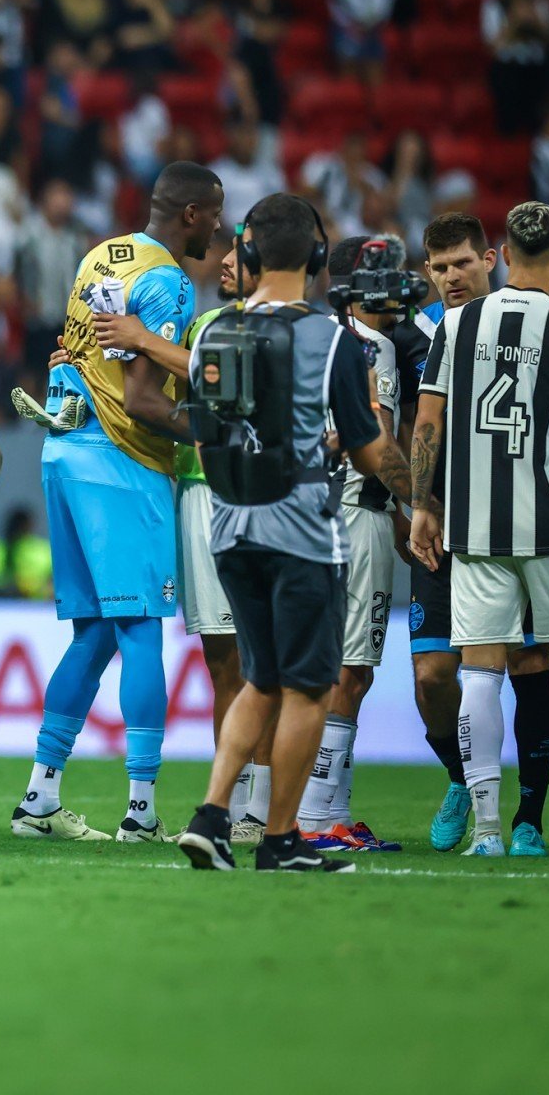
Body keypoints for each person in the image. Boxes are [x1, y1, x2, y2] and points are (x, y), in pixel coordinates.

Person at [175, 194, 413, 873]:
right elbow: (371, 447)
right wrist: (420, 503)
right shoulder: (334, 338)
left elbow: (208, 435)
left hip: (230, 531)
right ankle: (280, 839)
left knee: (263, 678)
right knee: (309, 687)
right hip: (304, 534)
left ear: (247, 257)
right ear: (315, 259)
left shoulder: (210, 335)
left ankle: (212, 814)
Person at [7, 162, 222, 843]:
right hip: (120, 461)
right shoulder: (169, 283)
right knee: (140, 630)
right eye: (214, 214)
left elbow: (72, 356)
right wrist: (218, 431)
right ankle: (141, 811)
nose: (219, 229)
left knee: (96, 632)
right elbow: (143, 399)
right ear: (190, 213)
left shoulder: (103, 254)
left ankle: (39, 800)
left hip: (62, 453)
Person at [409, 201, 549, 858]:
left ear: (502, 253)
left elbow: (427, 424)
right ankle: (528, 823)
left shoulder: (456, 325)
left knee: (479, 673)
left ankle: (485, 831)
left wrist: (424, 505)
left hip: (475, 527)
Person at [90, 246, 265, 841]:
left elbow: (223, 373)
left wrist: (142, 337)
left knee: (262, 658)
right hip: (196, 488)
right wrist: (89, 365)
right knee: (223, 661)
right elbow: (156, 383)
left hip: (255, 492)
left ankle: (266, 806)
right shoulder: (198, 322)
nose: (222, 260)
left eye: (239, 253)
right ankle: (234, 808)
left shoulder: (273, 322)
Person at [294, 238, 408, 851]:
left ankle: (325, 809)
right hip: (355, 517)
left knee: (323, 665)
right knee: (351, 669)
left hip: (306, 516)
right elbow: (381, 441)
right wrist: (418, 507)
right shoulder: (374, 346)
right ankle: (318, 817)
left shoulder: (311, 334)